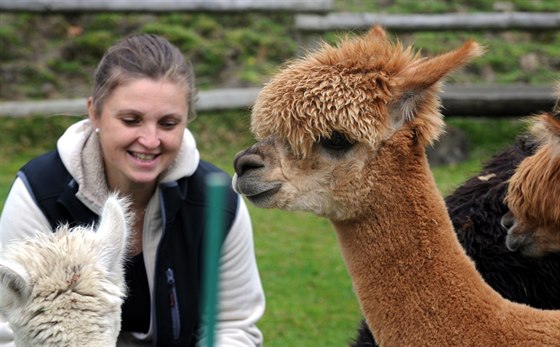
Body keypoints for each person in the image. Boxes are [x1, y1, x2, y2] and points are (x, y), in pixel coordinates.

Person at [0, 34, 265, 346]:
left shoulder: (217, 201)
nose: (150, 140)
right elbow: (7, 329)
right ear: (94, 112)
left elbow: (234, 326)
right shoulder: (40, 194)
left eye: (168, 124)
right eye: (131, 120)